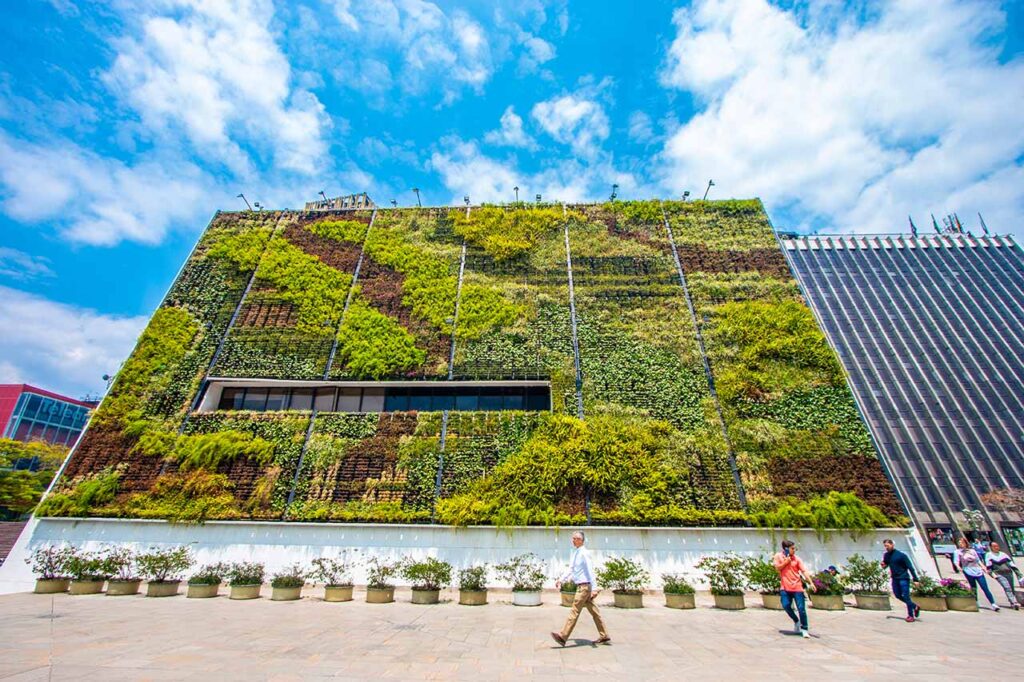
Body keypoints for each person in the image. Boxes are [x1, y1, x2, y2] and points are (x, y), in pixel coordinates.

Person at [551, 531, 609, 646]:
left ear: (581, 540)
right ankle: (604, 635)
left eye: (575, 538)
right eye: (573, 538)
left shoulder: (584, 553)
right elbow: (571, 569)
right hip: (583, 587)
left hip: (584, 587)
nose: (573, 540)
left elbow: (590, 570)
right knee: (595, 612)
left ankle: (563, 636)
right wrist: (561, 580)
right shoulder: (576, 553)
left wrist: (595, 588)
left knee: (575, 610)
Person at [773, 539, 815, 639]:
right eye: (792, 548)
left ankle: (804, 629)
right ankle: (796, 620)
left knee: (801, 609)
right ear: (786, 549)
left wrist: (811, 583)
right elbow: (777, 568)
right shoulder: (778, 556)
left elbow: (804, 571)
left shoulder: (797, 559)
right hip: (785, 587)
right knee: (786, 605)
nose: (794, 550)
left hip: (797, 587)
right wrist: (786, 562)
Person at [881, 538, 921, 622]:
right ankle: (915, 606)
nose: (886, 547)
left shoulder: (901, 555)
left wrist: (915, 579)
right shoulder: (886, 555)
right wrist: (883, 565)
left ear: (892, 545)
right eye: (885, 546)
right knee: (897, 595)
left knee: (906, 596)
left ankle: (910, 615)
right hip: (895, 578)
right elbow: (886, 565)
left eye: (888, 546)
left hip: (903, 578)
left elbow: (910, 567)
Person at [956, 536, 999, 611]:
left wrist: (983, 567)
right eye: (959, 542)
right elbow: (956, 561)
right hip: (967, 570)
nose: (960, 544)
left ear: (965, 543)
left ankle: (993, 603)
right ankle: (976, 601)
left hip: (977, 570)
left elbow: (978, 560)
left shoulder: (972, 551)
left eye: (962, 542)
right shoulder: (957, 552)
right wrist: (958, 567)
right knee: (973, 587)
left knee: (984, 587)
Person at [985, 541, 1020, 611]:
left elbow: (1011, 564)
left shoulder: (1003, 554)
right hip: (999, 574)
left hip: (1008, 573)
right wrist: (992, 575)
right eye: (994, 546)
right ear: (991, 547)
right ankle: (1014, 602)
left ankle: (1012, 601)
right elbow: (988, 567)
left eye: (997, 546)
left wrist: (1018, 573)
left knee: (1011, 587)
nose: (996, 547)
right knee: (1007, 587)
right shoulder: (989, 555)